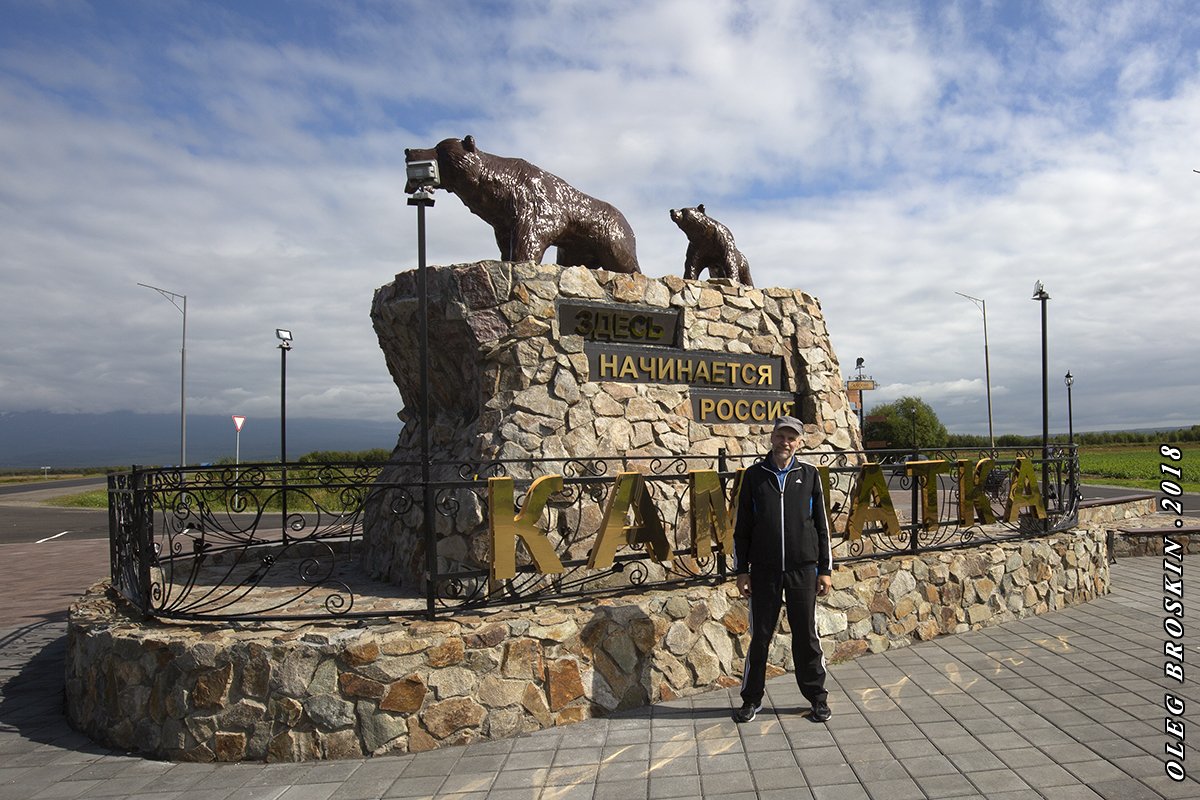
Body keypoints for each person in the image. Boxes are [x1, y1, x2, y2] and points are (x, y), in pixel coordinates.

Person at [732, 415, 833, 723]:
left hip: (803, 570)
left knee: (806, 636)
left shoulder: (810, 475)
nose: (785, 442)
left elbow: (822, 526)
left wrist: (824, 570)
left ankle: (817, 698)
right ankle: (752, 699)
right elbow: (742, 528)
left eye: (791, 438)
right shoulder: (754, 476)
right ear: (772, 438)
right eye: (781, 436)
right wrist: (741, 570)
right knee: (760, 636)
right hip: (764, 570)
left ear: (799, 442)